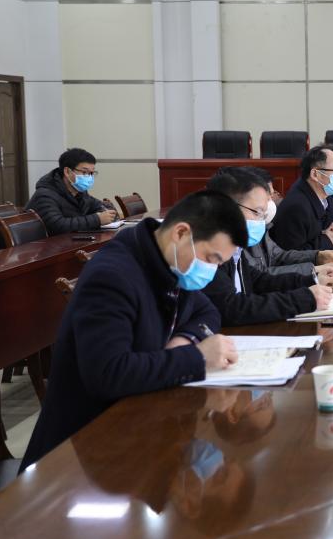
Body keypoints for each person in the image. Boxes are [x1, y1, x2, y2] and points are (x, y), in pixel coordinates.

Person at [21, 190, 246, 469]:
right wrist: (197, 358)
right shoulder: (112, 276)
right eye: (211, 259)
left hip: (140, 423)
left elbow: (207, 311)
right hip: (82, 451)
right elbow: (109, 374)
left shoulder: (169, 263)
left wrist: (185, 339)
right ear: (181, 233)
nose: (212, 270)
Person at [203, 167, 332, 326]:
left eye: (263, 214)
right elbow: (231, 307)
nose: (261, 221)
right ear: (227, 207)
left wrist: (311, 280)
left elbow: (258, 280)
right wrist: (302, 299)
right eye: (257, 212)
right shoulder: (206, 249)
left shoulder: (234, 245)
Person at [242, 167, 333, 281]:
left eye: (271, 196)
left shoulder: (260, 223)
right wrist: (313, 272)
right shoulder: (297, 205)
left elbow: (278, 257)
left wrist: (318, 256)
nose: (269, 204)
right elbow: (258, 278)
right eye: (265, 199)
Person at [269, 145, 333, 251]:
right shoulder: (297, 207)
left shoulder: (325, 198)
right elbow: (291, 254)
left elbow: (328, 229)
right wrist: (327, 240)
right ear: (315, 174)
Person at [24, 147, 117, 234]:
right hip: (46, 244)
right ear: (67, 172)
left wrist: (108, 212)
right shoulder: (45, 195)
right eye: (84, 172)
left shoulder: (80, 191)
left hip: (71, 241)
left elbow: (98, 206)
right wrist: (97, 219)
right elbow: (57, 225)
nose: (89, 177)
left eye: (91, 173)